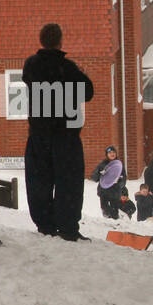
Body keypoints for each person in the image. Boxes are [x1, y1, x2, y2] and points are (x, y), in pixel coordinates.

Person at [23, 23, 95, 240]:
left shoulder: (31, 65)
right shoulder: (68, 68)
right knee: (68, 182)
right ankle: (67, 226)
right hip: (66, 133)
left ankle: (44, 224)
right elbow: (88, 92)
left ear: (41, 40)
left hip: (39, 132)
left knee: (39, 180)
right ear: (60, 41)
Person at [91, 145, 126, 219]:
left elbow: (124, 179)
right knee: (105, 209)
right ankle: (107, 223)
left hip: (115, 191)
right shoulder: (102, 164)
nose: (112, 154)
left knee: (114, 211)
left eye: (113, 152)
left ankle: (116, 225)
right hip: (104, 191)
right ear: (107, 155)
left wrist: (120, 182)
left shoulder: (119, 165)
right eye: (109, 152)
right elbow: (94, 177)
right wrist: (99, 173)